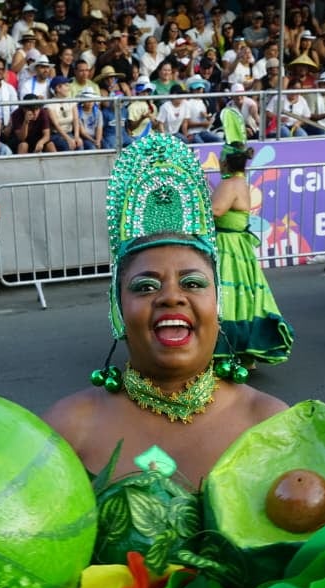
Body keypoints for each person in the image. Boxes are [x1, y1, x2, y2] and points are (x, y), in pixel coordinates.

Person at [43, 132, 287, 485]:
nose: (172, 297)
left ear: (217, 305)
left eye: (192, 284)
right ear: (117, 309)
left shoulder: (268, 423)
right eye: (146, 287)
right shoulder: (69, 427)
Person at [209, 108, 293, 369]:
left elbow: (216, 211)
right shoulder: (239, 182)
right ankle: (245, 352)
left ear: (225, 162)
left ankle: (227, 348)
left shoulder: (229, 184)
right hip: (239, 245)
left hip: (228, 246)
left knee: (226, 296)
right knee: (244, 297)